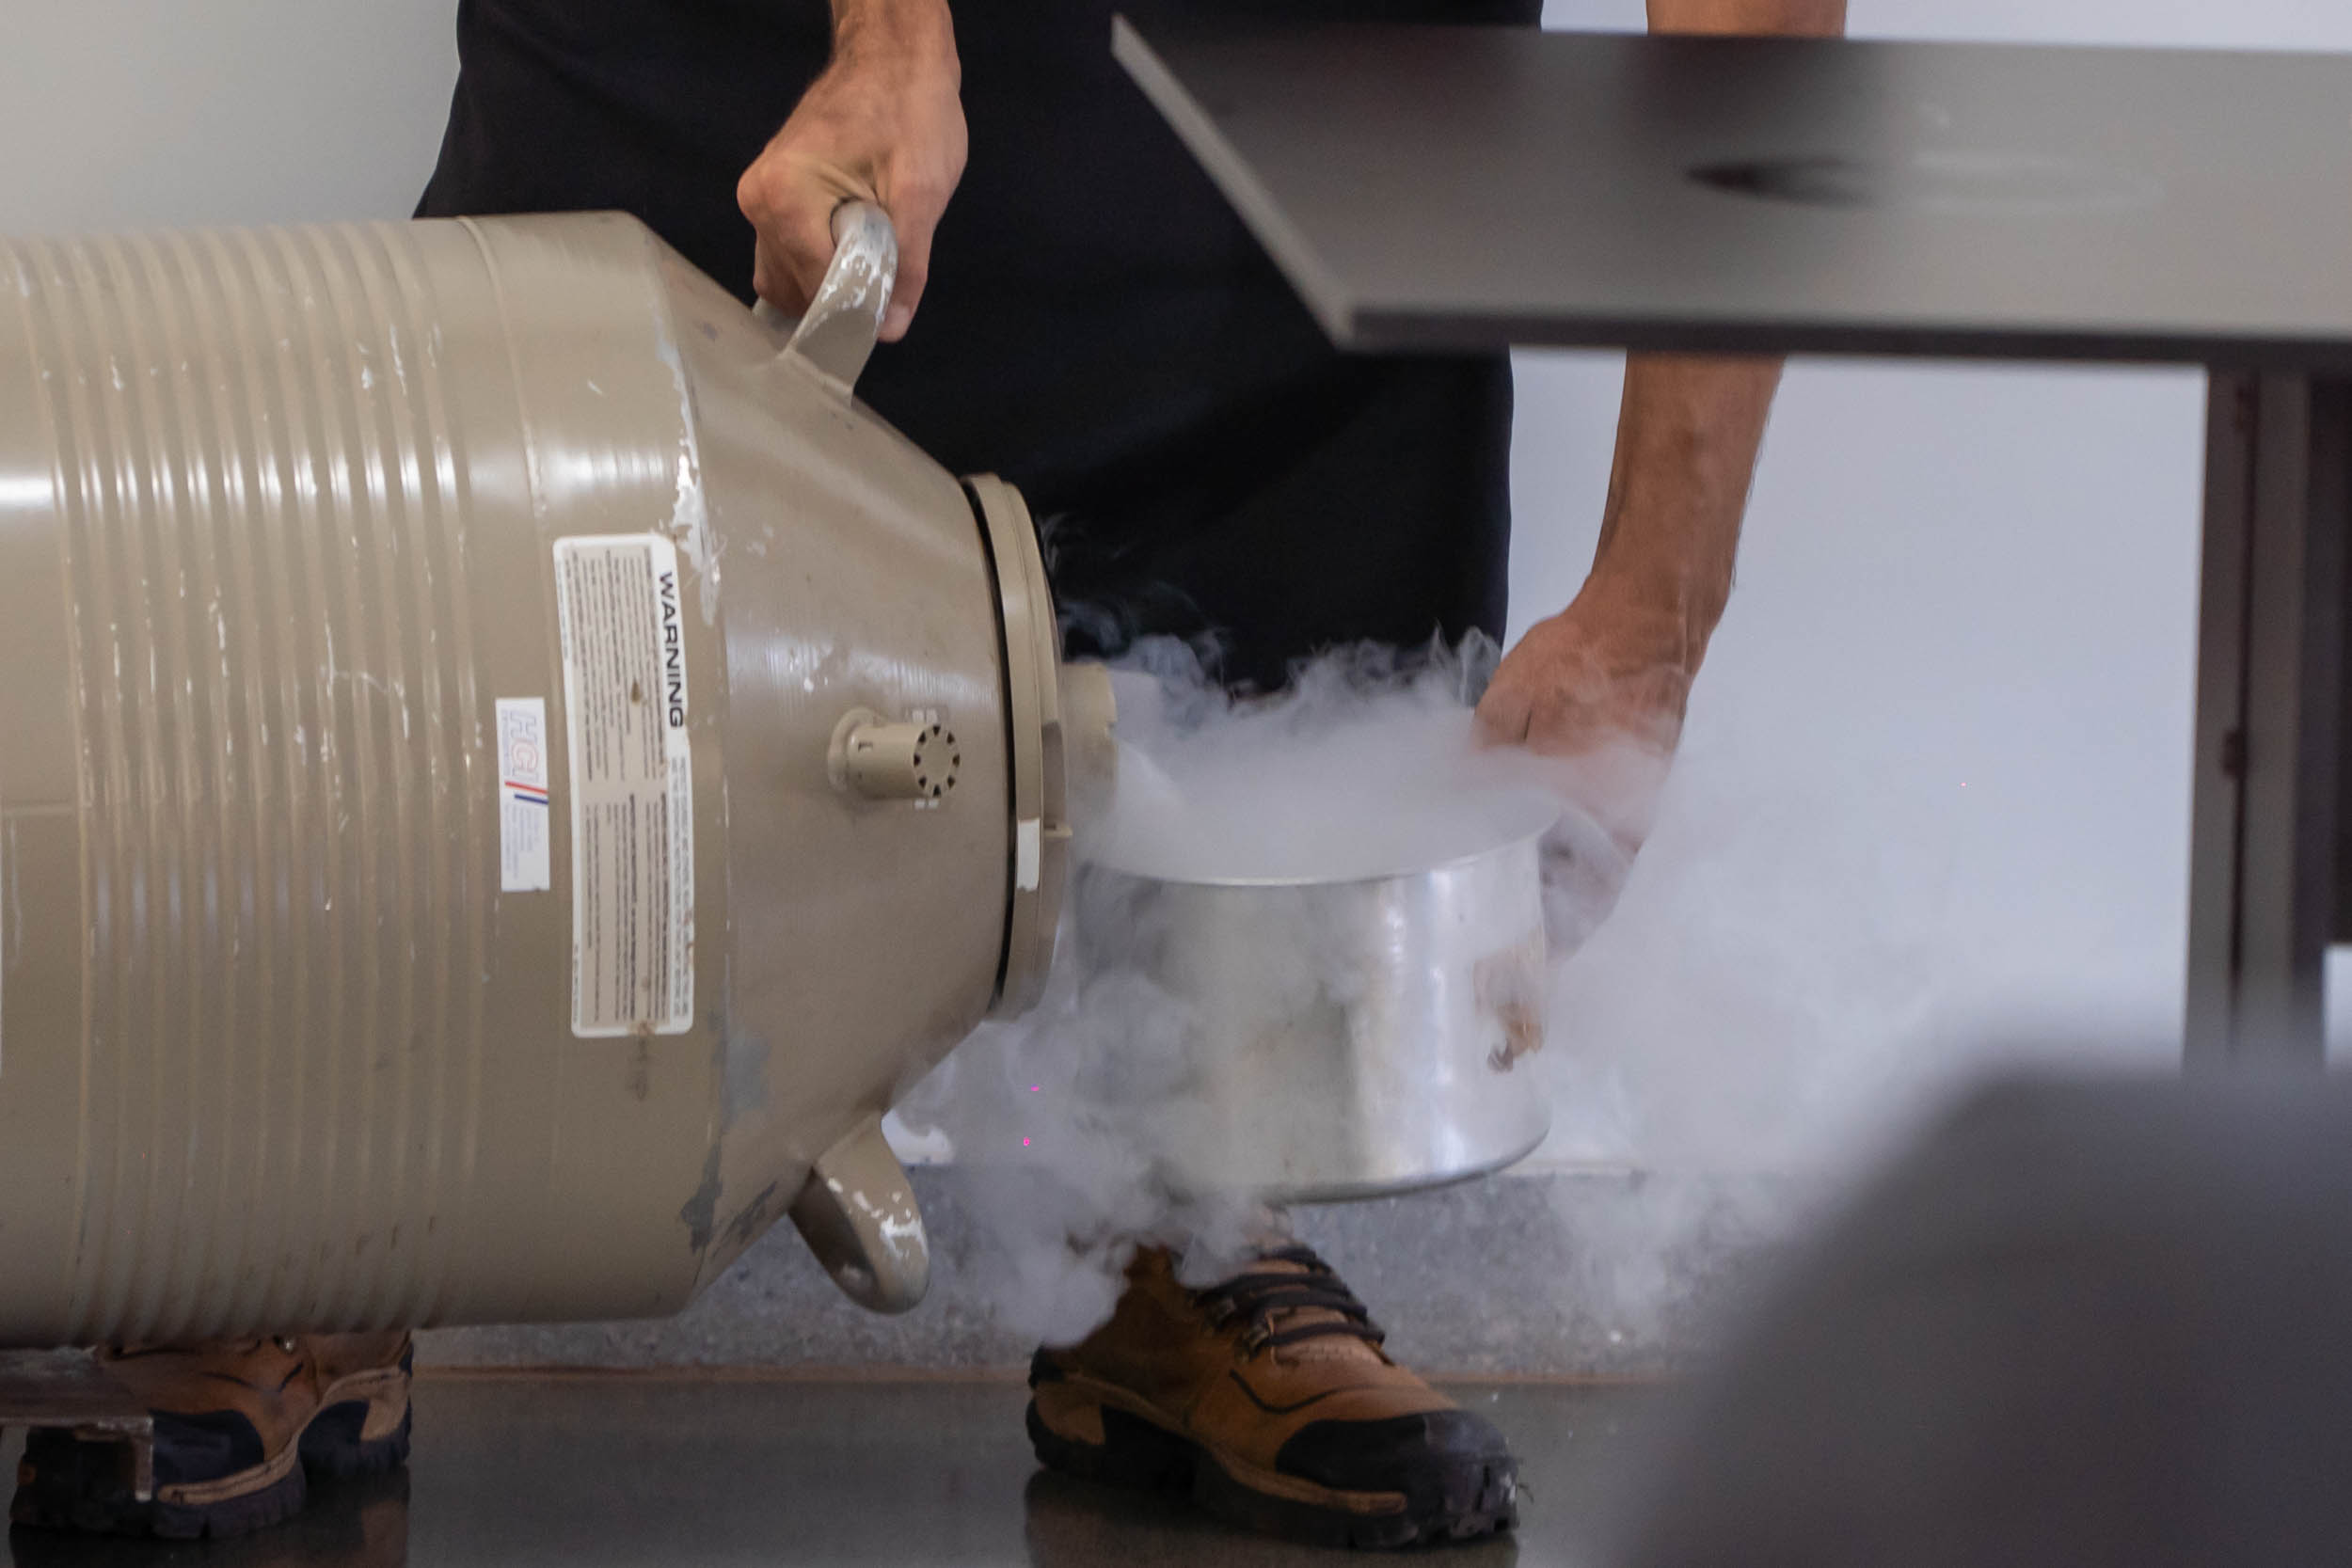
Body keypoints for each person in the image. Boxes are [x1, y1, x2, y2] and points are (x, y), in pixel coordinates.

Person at [10, 0, 1842, 1547]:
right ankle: (348, 1200)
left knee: (1287, 575)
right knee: (504, 601)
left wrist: (1656, 604)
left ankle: (1178, 1221)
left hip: (1303, 115)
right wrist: (891, 31)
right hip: (742, 69)